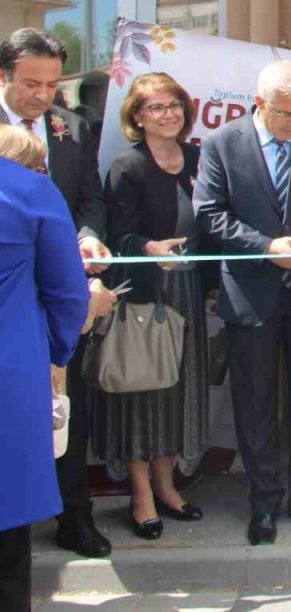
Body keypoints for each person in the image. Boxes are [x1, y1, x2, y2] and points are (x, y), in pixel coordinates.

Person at [193, 61, 291, 545]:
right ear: (260, 104)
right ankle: (264, 501)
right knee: (256, 402)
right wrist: (267, 247)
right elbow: (209, 213)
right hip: (252, 293)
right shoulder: (224, 143)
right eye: (285, 114)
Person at [0, 27, 113, 559]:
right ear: (3, 76)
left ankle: (74, 515)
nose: (43, 96)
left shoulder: (73, 128)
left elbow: (90, 199)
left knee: (66, 411)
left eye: (51, 85)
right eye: (31, 84)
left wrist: (86, 239)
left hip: (64, 296)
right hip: (18, 306)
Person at [100, 73, 209, 540]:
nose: (169, 114)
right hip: (147, 298)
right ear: (137, 116)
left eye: (175, 105)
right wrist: (148, 248)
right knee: (145, 395)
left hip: (189, 295)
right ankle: (141, 493)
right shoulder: (127, 167)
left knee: (179, 393)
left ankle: (167, 484)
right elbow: (116, 238)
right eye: (157, 107)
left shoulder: (199, 158)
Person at [0, 125, 90, 612]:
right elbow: (68, 293)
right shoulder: (30, 190)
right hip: (10, 372)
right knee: (7, 524)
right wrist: (56, 353)